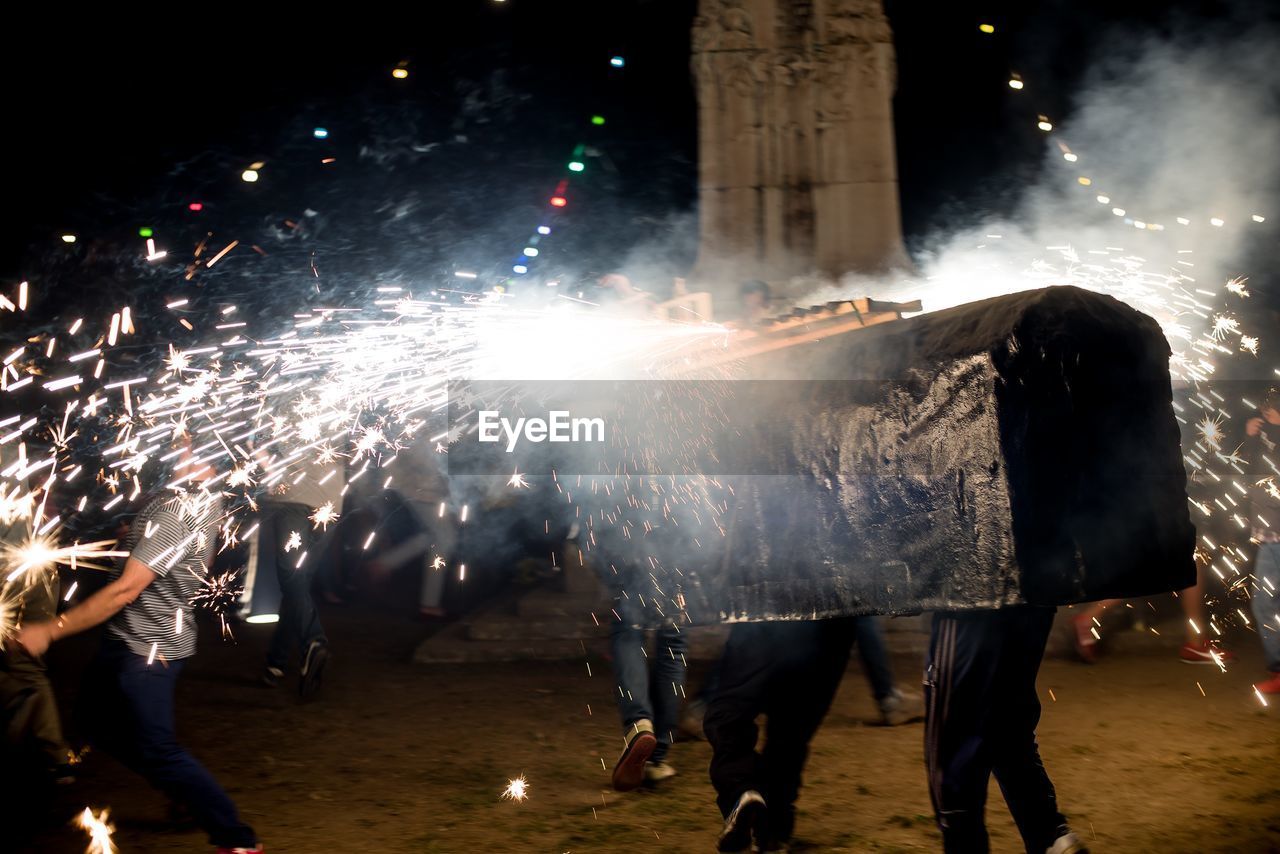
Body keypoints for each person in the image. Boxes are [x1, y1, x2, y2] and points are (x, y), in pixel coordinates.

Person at [15, 449, 261, 854]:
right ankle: (186, 793)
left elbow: (127, 590)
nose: (172, 451)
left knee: (157, 749)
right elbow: (196, 558)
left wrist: (49, 630)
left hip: (147, 651)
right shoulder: (206, 499)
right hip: (134, 640)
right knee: (94, 723)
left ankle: (236, 838)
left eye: (184, 447)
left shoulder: (173, 512)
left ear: (207, 461)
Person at [705, 615, 915, 853]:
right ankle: (773, 833)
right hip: (834, 626)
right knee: (791, 734)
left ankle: (742, 791)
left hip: (770, 613)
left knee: (729, 714)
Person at [925, 607, 1086, 854]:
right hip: (1033, 594)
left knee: (954, 733)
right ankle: (1049, 836)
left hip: (969, 601)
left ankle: (964, 844)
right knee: (1008, 721)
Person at [1, 482, 74, 784]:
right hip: (34, 566)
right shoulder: (18, 449)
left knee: (21, 666)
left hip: (14, 573)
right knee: (25, 667)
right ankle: (55, 756)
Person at [255, 452, 344, 696]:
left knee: (292, 579)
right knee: (297, 586)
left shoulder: (276, 411)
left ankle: (313, 639)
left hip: (292, 497)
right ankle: (276, 662)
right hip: (330, 500)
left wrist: (269, 474)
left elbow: (259, 445)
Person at [608, 576, 688, 790]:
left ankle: (639, 725)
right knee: (672, 639)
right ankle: (655, 758)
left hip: (632, 551)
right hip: (676, 553)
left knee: (628, 628)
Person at [372, 431, 457, 618]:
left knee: (435, 537)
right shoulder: (420, 429)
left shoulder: (433, 426)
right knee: (446, 539)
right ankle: (429, 603)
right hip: (422, 491)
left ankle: (385, 563)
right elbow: (421, 461)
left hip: (429, 491)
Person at [1246, 388, 1280, 694]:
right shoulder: (1267, 439)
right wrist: (1255, 438)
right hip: (1270, 536)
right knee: (1264, 604)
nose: (1264, 415)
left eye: (1269, 410)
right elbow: (1250, 472)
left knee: (1265, 604)